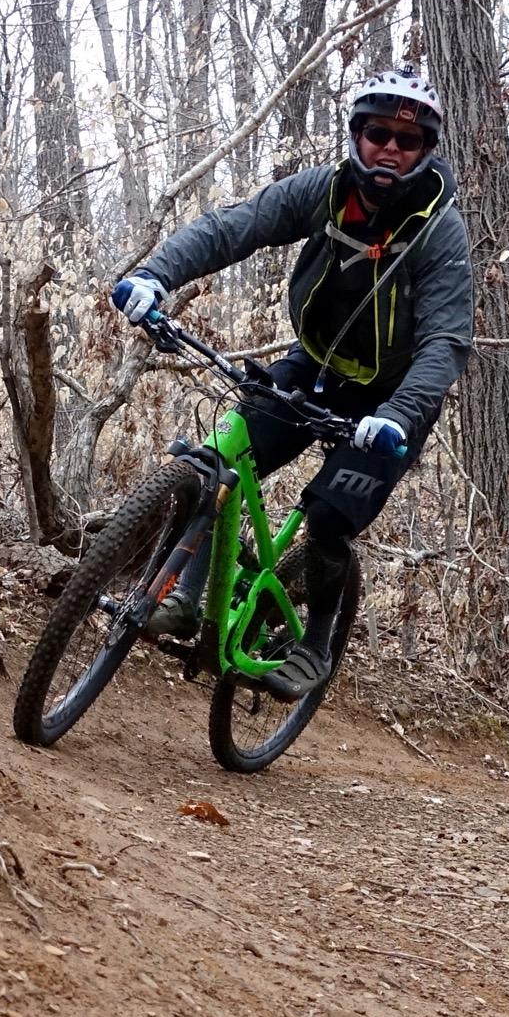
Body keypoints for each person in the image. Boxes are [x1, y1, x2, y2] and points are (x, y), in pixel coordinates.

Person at [111, 68, 475, 698]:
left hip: (389, 402)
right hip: (311, 365)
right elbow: (235, 227)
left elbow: (445, 341)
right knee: (215, 460)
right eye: (377, 133)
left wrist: (399, 415)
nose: (390, 147)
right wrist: (157, 276)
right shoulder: (325, 192)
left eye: (407, 140)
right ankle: (182, 598)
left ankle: (316, 643)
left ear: (425, 151)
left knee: (330, 518)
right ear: (357, 135)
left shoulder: (439, 228)